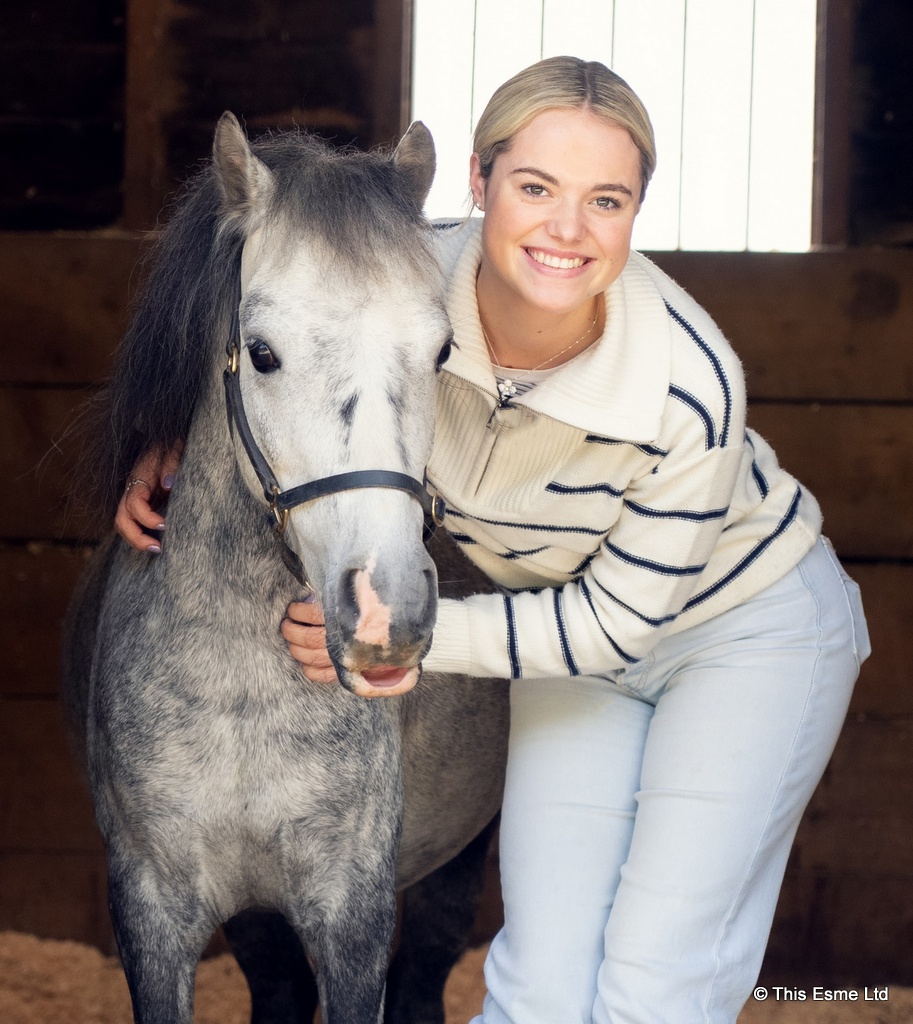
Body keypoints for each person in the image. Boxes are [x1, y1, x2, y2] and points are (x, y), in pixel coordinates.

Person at [117, 57, 869, 1024]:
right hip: (563, 628)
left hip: (739, 632)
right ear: (477, 184)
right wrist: (176, 434)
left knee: (653, 981)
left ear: (640, 210)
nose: (566, 229)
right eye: (534, 187)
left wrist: (421, 642)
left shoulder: (693, 388)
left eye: (606, 199)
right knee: (540, 986)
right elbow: (277, 330)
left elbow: (615, 625)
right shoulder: (396, 268)